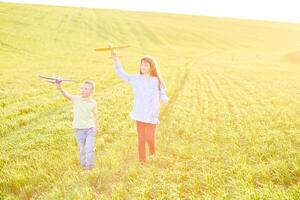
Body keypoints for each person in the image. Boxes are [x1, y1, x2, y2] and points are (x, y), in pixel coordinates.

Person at [111, 50, 169, 163]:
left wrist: (164, 99)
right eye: (141, 64)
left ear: (151, 67)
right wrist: (116, 60)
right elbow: (122, 74)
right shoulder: (136, 78)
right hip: (139, 113)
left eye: (145, 65)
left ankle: (152, 152)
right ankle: (142, 161)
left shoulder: (157, 80)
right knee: (141, 139)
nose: (142, 67)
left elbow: (162, 93)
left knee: (149, 138)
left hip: (152, 113)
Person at [56, 80, 99, 170]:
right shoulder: (76, 99)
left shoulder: (93, 103)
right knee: (82, 149)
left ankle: (90, 167)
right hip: (79, 129)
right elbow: (67, 95)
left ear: (91, 91)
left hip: (89, 129)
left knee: (89, 148)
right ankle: (84, 166)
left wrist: (96, 127)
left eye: (85, 89)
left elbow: (95, 115)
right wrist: (60, 87)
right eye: (81, 88)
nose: (82, 90)